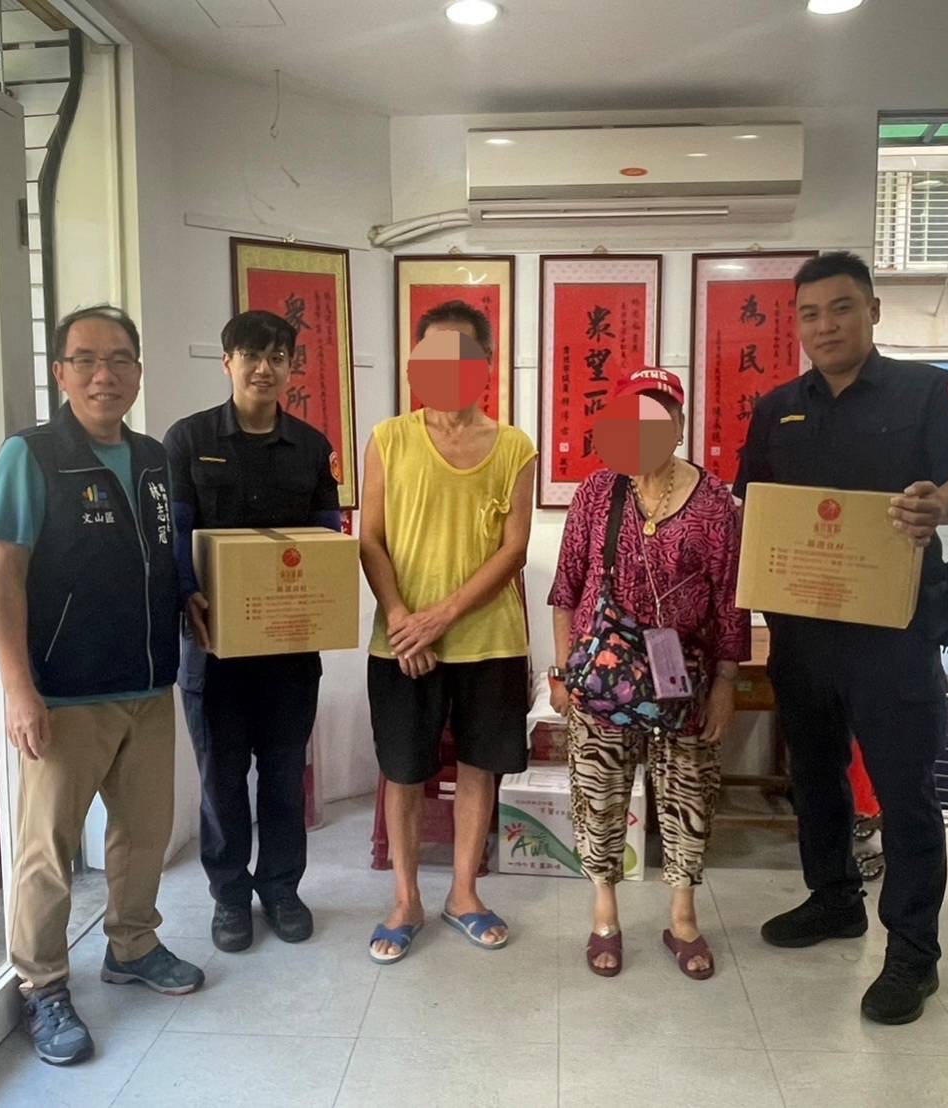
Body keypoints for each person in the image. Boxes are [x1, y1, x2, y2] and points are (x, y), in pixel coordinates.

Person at [735, 252, 948, 1025]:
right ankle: (834, 898)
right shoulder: (778, 408)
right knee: (814, 774)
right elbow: (755, 506)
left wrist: (937, 507)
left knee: (905, 791)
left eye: (841, 308)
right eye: (810, 314)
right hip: (804, 632)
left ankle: (913, 954)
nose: (825, 326)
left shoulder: (927, 391)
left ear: (873, 310)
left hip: (894, 632)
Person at [0, 305, 204, 1067]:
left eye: (118, 360)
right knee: (48, 850)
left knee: (143, 833)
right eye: (84, 359)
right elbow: (4, 580)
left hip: (147, 681)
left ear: (138, 372)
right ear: (60, 373)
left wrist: (187, 600)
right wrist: (19, 688)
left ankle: (132, 945)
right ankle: (42, 984)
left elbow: (159, 557)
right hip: (66, 690)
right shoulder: (32, 455)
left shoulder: (151, 457)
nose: (103, 374)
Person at [549, 368, 749, 980]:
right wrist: (561, 673)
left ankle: (682, 918)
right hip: (600, 677)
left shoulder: (715, 504)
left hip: (684, 678)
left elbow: (731, 605)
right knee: (599, 794)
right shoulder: (597, 492)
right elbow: (565, 589)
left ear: (680, 426)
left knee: (689, 794)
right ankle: (604, 914)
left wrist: (725, 685)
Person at [359, 300, 537, 963]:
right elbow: (370, 539)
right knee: (403, 772)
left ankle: (464, 892)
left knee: (478, 768)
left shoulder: (515, 446)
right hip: (403, 641)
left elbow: (513, 549)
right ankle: (406, 898)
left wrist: (442, 616)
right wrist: (402, 619)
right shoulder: (389, 438)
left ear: (485, 364)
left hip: (490, 640)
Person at [163, 309, 341, 953]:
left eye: (277, 357)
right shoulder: (187, 440)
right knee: (222, 776)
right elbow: (176, 533)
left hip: (288, 646)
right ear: (227, 362)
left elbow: (328, 539)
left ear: (292, 367)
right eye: (251, 356)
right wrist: (187, 593)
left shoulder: (312, 447)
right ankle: (231, 897)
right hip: (214, 648)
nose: (264, 369)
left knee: (286, 774)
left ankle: (282, 889)